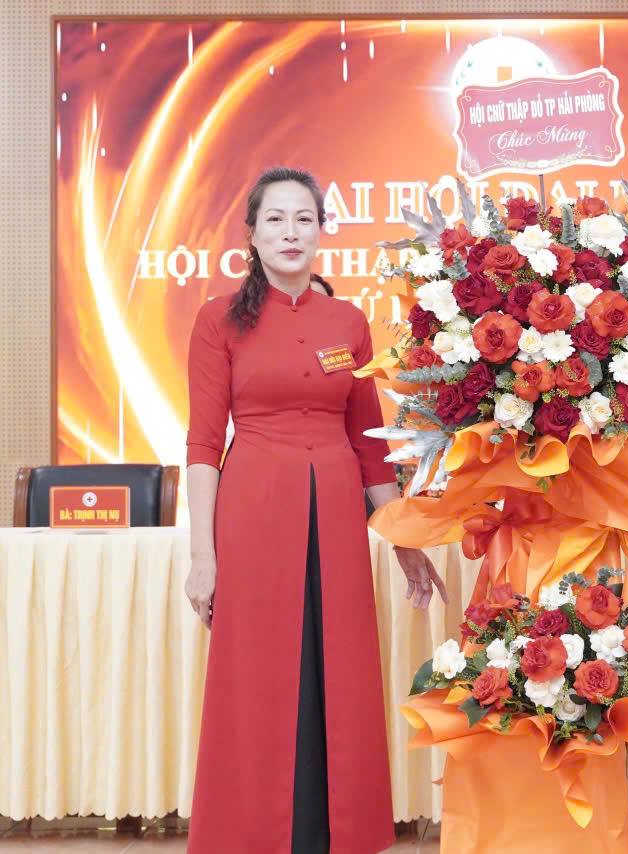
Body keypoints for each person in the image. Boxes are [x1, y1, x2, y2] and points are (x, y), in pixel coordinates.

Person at [182, 167, 447, 854]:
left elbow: (370, 448)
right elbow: (204, 445)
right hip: (252, 509)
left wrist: (405, 542)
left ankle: (337, 834)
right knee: (256, 671)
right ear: (252, 233)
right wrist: (202, 557)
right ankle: (250, 836)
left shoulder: (348, 322)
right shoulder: (218, 320)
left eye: (304, 218)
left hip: (334, 511)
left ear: (323, 230)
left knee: (341, 666)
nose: (291, 232)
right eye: (275, 219)